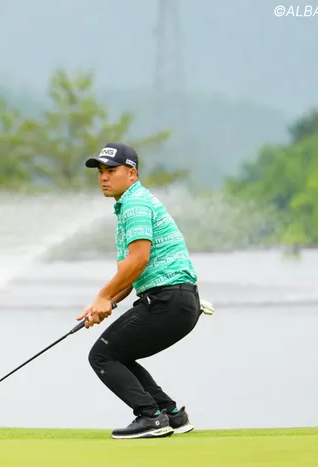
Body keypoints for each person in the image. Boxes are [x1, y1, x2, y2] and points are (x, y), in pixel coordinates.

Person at [76, 142, 203, 440]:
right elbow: (130, 275)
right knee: (117, 354)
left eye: (111, 170)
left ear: (132, 174)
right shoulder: (130, 205)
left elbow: (139, 260)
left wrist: (103, 297)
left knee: (102, 355)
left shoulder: (135, 204)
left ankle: (150, 417)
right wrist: (102, 303)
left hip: (167, 300)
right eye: (100, 171)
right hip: (179, 302)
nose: (103, 177)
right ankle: (171, 414)